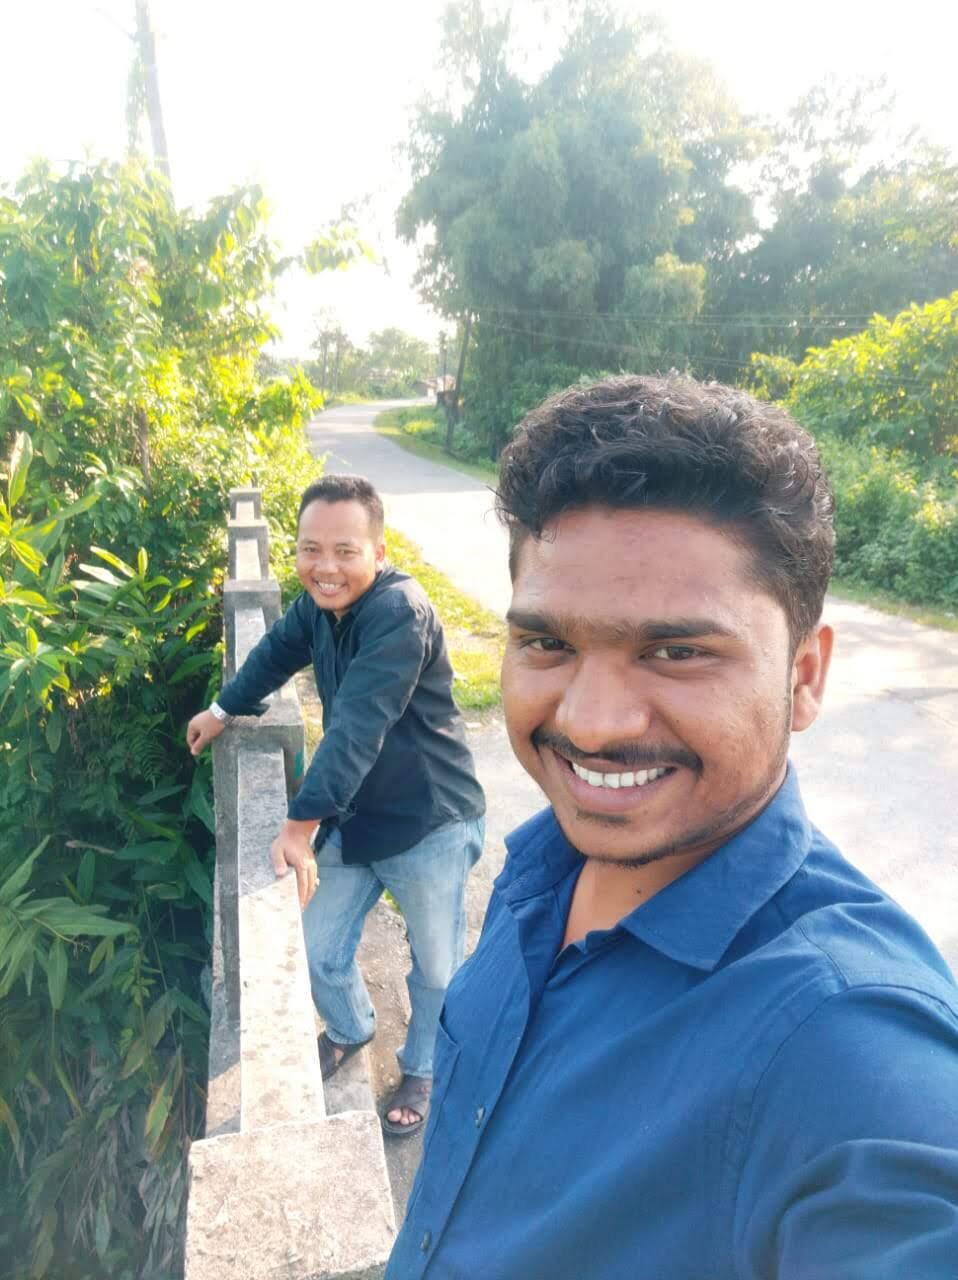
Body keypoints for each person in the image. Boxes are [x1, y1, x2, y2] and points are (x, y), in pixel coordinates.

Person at [387, 376, 958, 1276]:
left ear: (805, 676)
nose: (592, 724)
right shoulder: (544, 870)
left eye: (677, 651)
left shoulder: (846, 1043)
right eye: (547, 643)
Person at [186, 474, 485, 1137]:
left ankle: (424, 1067)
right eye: (311, 549)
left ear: (378, 552)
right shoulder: (319, 607)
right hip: (358, 813)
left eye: (346, 551)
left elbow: (356, 725)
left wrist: (299, 827)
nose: (326, 567)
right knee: (316, 947)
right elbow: (274, 653)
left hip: (430, 819)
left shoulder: (398, 613)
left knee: (437, 966)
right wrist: (222, 709)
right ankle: (351, 1027)